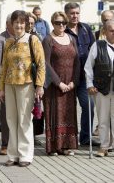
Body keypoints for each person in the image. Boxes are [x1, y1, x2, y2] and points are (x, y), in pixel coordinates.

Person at [0, 10, 45, 167]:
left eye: (21, 22)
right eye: (16, 22)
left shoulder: (33, 40)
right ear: (11, 24)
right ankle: (13, 155)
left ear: (26, 24)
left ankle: (25, 155)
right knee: (11, 119)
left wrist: (39, 86)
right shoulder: (9, 42)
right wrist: (0, 88)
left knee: (24, 120)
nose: (18, 25)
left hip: (26, 84)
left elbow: (41, 64)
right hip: (9, 84)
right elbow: (3, 66)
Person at [42, 11, 79, 155]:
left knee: (68, 114)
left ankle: (67, 146)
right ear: (53, 23)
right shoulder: (48, 40)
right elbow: (45, 63)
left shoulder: (71, 38)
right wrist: (59, 83)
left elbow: (77, 62)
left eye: (64, 22)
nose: (62, 25)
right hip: (54, 85)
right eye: (58, 23)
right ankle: (54, 147)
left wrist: (73, 82)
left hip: (70, 84)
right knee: (55, 115)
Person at [64, 2, 100, 146]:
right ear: (66, 14)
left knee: (89, 105)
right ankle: (65, 138)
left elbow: (93, 49)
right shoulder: (62, 29)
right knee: (66, 108)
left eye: (77, 13)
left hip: (84, 77)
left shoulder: (85, 28)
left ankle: (85, 137)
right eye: (72, 13)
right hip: (68, 76)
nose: (75, 16)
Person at [84, 19, 114, 157]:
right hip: (102, 88)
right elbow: (88, 67)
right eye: (111, 30)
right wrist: (89, 85)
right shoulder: (98, 45)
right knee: (103, 118)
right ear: (105, 31)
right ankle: (104, 146)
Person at [0, 14, 14, 155]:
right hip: (5, 84)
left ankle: (17, 143)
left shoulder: (24, 38)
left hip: (21, 83)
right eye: (14, 22)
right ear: (7, 24)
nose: (18, 25)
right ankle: (5, 144)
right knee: (6, 115)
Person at [93, 10, 114, 137]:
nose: (107, 21)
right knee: (103, 113)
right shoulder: (96, 35)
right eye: (105, 20)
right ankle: (105, 141)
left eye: (109, 19)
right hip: (101, 82)